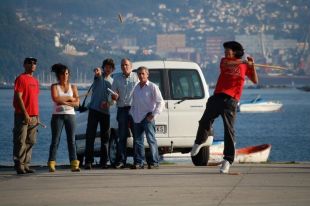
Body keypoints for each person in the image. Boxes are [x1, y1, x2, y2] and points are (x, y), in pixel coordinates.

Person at [190, 41, 258, 174]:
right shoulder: (225, 61)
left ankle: (227, 160)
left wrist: (252, 66)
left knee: (229, 130)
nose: (226, 53)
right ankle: (199, 141)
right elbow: (229, 64)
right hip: (217, 96)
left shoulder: (245, 66)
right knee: (204, 121)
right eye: (225, 51)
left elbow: (255, 80)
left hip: (231, 100)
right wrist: (243, 62)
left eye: (229, 51)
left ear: (235, 51)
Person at [47, 63, 81, 172]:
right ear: (58, 75)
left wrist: (66, 101)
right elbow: (56, 99)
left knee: (71, 140)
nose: (65, 76)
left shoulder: (73, 87)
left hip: (71, 116)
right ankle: (52, 163)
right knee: (55, 140)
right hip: (57, 116)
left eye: (66, 73)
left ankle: (74, 163)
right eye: (62, 74)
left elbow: (77, 104)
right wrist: (70, 99)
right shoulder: (54, 86)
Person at [130, 66, 164, 169]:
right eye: (139, 74)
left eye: (143, 74)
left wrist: (153, 115)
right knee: (138, 141)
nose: (140, 76)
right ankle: (139, 162)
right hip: (137, 117)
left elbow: (161, 102)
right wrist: (132, 114)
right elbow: (133, 103)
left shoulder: (153, 87)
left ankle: (154, 162)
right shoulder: (136, 88)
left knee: (151, 140)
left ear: (147, 75)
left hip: (148, 116)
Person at [84, 58, 115, 169]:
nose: (108, 69)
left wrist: (108, 103)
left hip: (105, 113)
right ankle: (88, 161)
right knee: (90, 137)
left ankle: (104, 162)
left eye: (110, 67)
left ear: (113, 69)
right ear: (103, 68)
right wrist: (97, 71)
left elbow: (113, 100)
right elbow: (97, 73)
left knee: (105, 139)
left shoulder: (112, 82)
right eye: (106, 67)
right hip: (93, 111)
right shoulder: (99, 77)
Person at [13, 57, 40, 174]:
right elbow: (19, 97)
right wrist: (25, 114)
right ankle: (19, 164)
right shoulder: (20, 79)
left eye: (34, 63)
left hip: (34, 115)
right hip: (22, 115)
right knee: (20, 140)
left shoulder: (35, 81)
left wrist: (37, 116)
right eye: (30, 63)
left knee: (31, 140)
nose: (33, 65)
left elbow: (34, 99)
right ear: (24, 65)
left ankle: (26, 164)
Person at [111, 58, 138, 168]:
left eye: (126, 65)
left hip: (134, 109)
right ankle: (122, 161)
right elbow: (112, 95)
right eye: (122, 65)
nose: (124, 67)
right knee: (121, 137)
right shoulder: (116, 78)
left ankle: (138, 161)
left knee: (137, 136)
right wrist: (113, 97)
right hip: (122, 109)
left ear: (131, 66)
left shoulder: (136, 77)